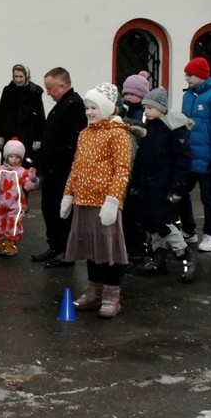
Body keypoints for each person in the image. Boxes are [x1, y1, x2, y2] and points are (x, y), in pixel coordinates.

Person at [62, 83, 132, 318]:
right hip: (84, 200)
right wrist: (68, 194)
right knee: (93, 247)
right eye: (87, 108)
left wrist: (112, 200)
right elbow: (76, 166)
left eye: (94, 108)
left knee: (109, 248)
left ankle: (112, 295)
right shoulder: (85, 134)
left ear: (107, 108)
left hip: (105, 203)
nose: (89, 112)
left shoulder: (118, 133)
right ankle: (94, 291)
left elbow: (122, 170)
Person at [127, 86, 198, 282]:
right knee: (150, 221)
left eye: (150, 107)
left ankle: (186, 256)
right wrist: (136, 183)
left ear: (161, 108)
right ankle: (159, 258)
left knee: (163, 222)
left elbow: (182, 161)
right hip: (148, 185)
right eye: (145, 108)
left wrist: (177, 188)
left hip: (164, 186)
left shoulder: (174, 131)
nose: (146, 111)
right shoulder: (152, 128)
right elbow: (142, 159)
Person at [31, 67, 87, 268]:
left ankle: (65, 251)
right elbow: (50, 138)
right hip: (53, 170)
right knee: (49, 209)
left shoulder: (73, 106)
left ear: (63, 86)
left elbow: (71, 143)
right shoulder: (62, 105)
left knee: (62, 212)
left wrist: (51, 159)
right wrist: (39, 164)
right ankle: (55, 246)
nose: (48, 93)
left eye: (50, 88)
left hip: (64, 171)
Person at [179, 57, 211, 253]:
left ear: (201, 75)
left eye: (190, 75)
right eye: (186, 75)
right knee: (181, 192)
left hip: (208, 157)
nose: (187, 78)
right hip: (190, 156)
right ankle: (188, 229)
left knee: (208, 197)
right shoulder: (188, 95)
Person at [119, 71, 150, 264]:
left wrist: (126, 124)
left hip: (138, 168)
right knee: (126, 213)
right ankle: (129, 247)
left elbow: (140, 132)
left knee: (135, 213)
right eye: (126, 94)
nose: (128, 97)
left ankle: (138, 248)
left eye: (132, 94)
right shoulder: (124, 111)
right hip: (127, 167)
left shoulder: (143, 114)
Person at [0, 138, 39, 256]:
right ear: (6, 157)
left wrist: (33, 180)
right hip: (0, 202)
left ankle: (11, 244)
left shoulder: (22, 172)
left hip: (16, 204)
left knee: (13, 223)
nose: (14, 159)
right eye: (11, 156)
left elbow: (28, 186)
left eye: (17, 157)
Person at [0, 64, 45, 167]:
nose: (18, 80)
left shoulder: (34, 92)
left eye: (21, 76)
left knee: (26, 164)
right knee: (9, 161)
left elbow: (39, 115)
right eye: (15, 76)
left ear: (26, 76)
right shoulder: (8, 91)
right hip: (9, 132)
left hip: (28, 134)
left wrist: (38, 138)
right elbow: (1, 112)